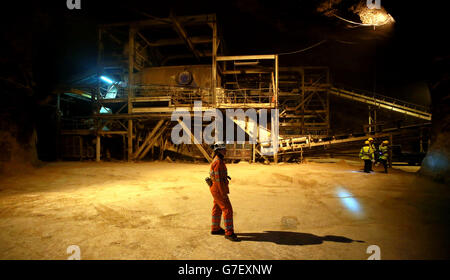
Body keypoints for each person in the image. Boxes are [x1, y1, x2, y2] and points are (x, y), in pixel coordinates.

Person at [209, 142, 240, 242]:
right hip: (218, 189)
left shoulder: (217, 160)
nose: (226, 150)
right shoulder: (218, 162)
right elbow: (218, 180)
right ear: (219, 150)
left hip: (215, 188)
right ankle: (229, 233)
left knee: (217, 207)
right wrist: (223, 193)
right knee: (227, 209)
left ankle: (215, 228)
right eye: (224, 149)